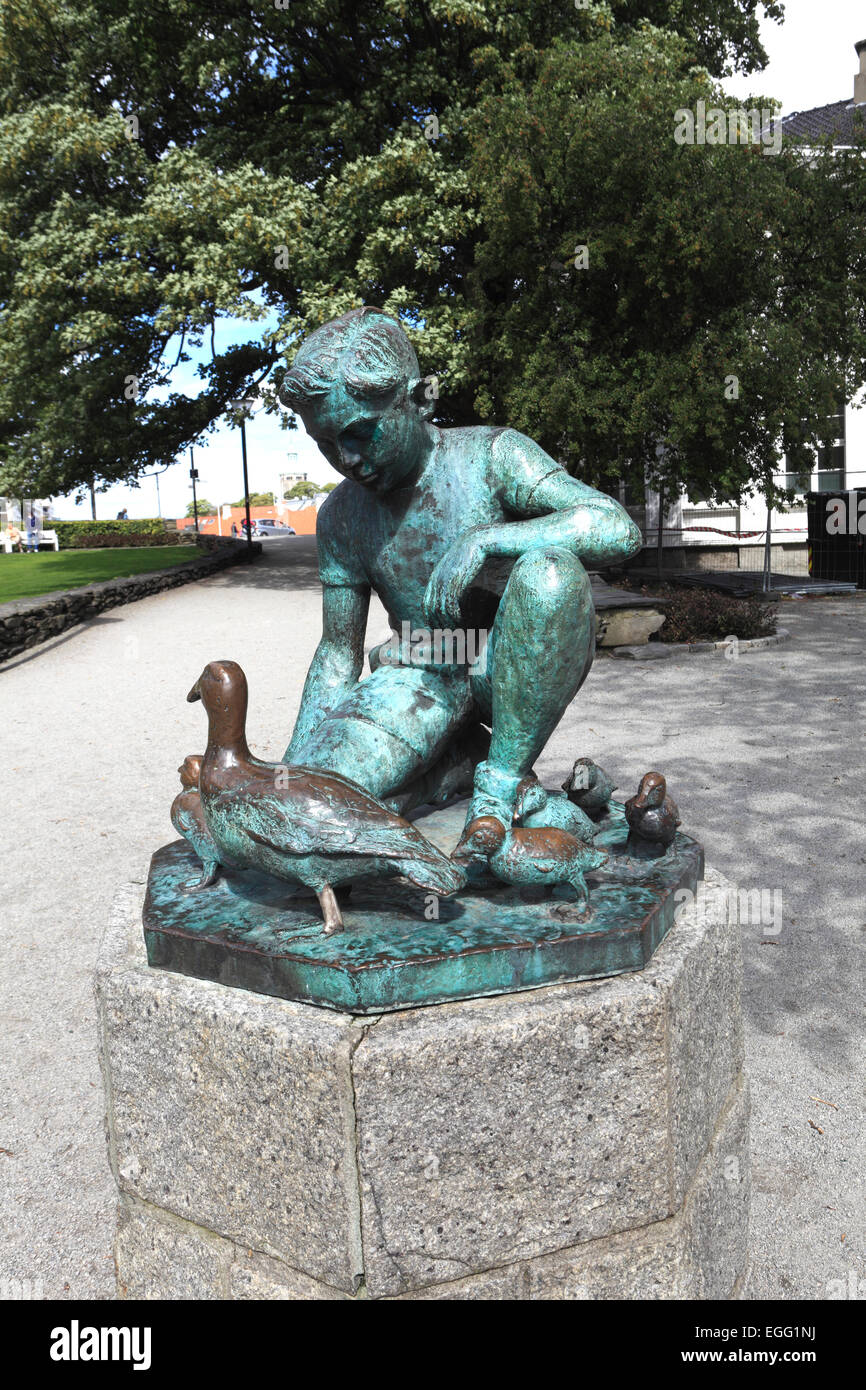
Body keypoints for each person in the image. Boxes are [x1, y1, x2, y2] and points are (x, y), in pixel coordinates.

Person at [279, 307, 641, 842]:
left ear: (417, 398)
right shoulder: (340, 515)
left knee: (551, 575)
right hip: (424, 668)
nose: (347, 459)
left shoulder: (493, 456)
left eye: (360, 432)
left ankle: (497, 787)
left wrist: (489, 539)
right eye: (327, 444)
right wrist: (288, 773)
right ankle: (468, 767)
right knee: (323, 797)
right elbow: (337, 651)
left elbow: (616, 528)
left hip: (506, 665)